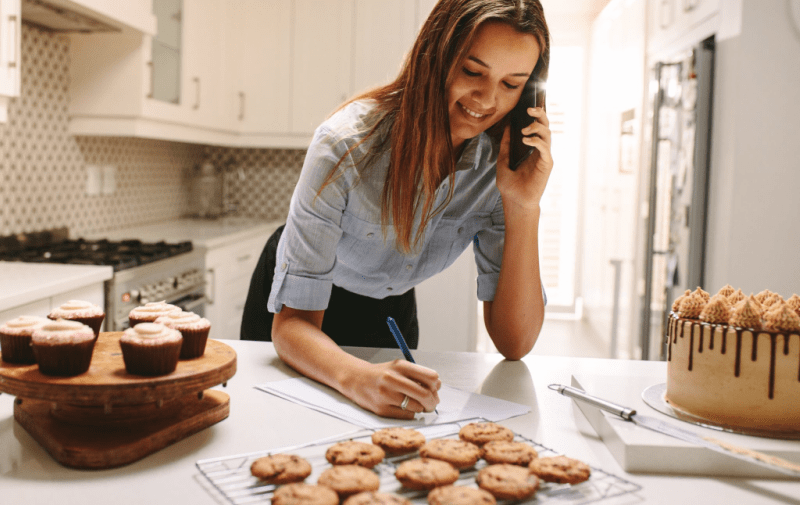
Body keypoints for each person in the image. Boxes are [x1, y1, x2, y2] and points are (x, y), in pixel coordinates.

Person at [241, 0, 552, 420]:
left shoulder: (499, 166)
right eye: (472, 72)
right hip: (305, 310)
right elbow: (292, 325)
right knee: (281, 431)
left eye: (512, 84)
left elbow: (515, 342)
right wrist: (358, 378)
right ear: (435, 56)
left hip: (391, 307)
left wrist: (524, 204)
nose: (487, 99)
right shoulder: (345, 144)